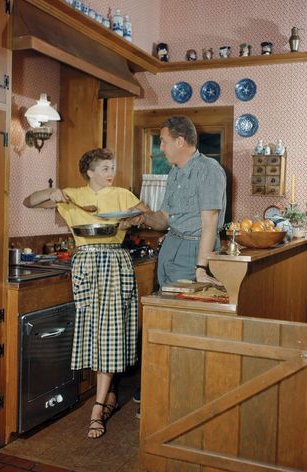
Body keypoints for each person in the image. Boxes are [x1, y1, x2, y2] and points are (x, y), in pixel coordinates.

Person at [23, 148, 148, 439]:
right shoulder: (72, 195)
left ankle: (98, 406)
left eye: (112, 168)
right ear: (89, 172)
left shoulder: (121, 194)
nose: (110, 173)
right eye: (104, 168)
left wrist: (135, 220)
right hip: (86, 264)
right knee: (91, 332)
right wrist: (51, 192)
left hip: (116, 262)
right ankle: (110, 392)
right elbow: (29, 201)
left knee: (111, 334)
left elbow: (147, 215)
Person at [126, 115, 226, 286]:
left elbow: (210, 222)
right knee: (165, 308)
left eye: (164, 141)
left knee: (183, 309)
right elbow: (165, 218)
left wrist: (201, 267)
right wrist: (143, 217)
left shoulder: (208, 169)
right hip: (170, 247)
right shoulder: (174, 173)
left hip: (193, 253)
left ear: (180, 141)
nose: (161, 148)